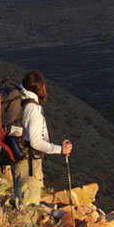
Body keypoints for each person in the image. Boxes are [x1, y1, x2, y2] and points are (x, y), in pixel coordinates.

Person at [11, 70, 72, 208]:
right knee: (28, 207)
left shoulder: (20, 100)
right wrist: (60, 150)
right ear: (41, 88)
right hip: (29, 164)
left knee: (20, 200)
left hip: (19, 158)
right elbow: (35, 141)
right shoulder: (33, 110)